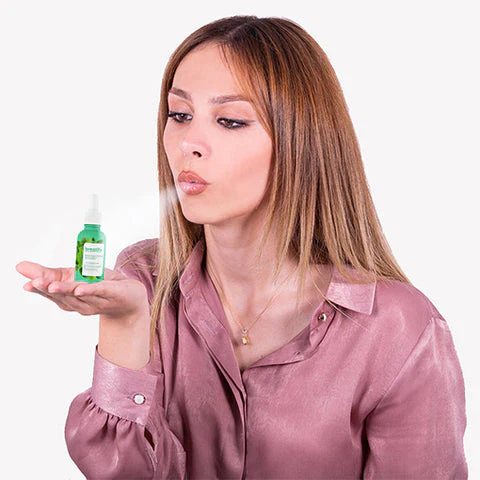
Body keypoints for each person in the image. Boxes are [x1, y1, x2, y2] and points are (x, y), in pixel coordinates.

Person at [16, 15, 468, 479]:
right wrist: (124, 323)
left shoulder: (399, 330)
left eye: (230, 121)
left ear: (300, 142)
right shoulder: (144, 280)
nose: (189, 143)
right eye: (180, 115)